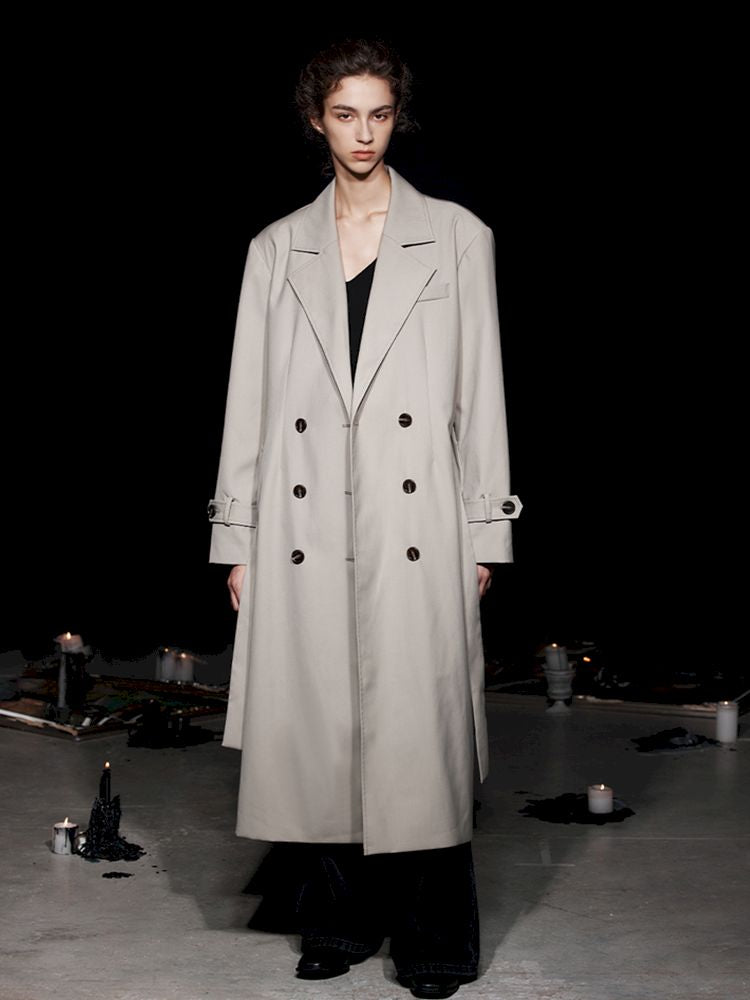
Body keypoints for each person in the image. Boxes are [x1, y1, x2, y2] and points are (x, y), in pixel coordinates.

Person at [207, 36, 521, 999]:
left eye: (379, 115)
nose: (363, 133)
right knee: (322, 728)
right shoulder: (276, 248)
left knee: (419, 733)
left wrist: (485, 531)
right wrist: (237, 536)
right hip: (304, 524)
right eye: (345, 115)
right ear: (317, 120)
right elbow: (251, 402)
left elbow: (480, 394)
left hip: (413, 517)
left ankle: (434, 934)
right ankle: (337, 920)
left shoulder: (457, 236)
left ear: (397, 119)